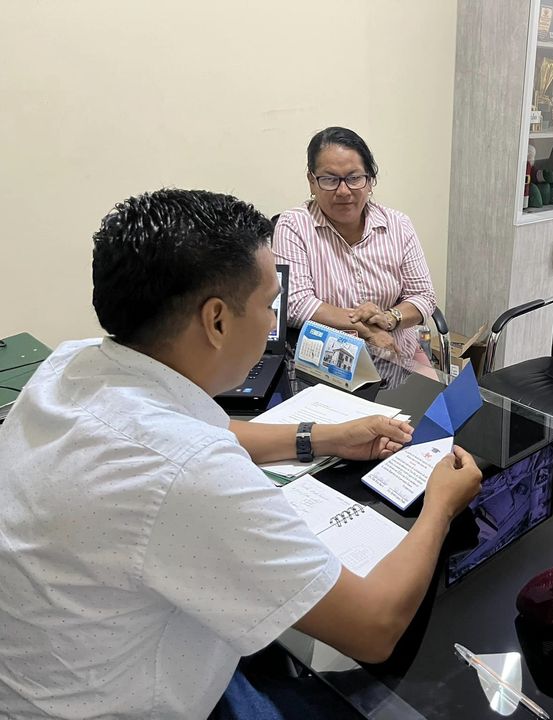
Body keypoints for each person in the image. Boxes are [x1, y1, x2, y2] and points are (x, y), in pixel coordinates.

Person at [0, 189, 482, 719]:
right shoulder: (186, 471)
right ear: (217, 321)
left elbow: (201, 430)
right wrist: (440, 505)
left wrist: (324, 436)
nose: (273, 318)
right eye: (269, 304)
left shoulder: (72, 364)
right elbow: (373, 628)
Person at [273, 126, 436, 365]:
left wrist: (388, 318)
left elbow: (424, 296)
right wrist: (367, 330)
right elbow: (296, 304)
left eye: (354, 178)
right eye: (329, 179)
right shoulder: (293, 225)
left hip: (399, 355)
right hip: (328, 366)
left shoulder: (398, 224)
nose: (343, 191)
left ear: (370, 180)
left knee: (450, 390)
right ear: (311, 182)